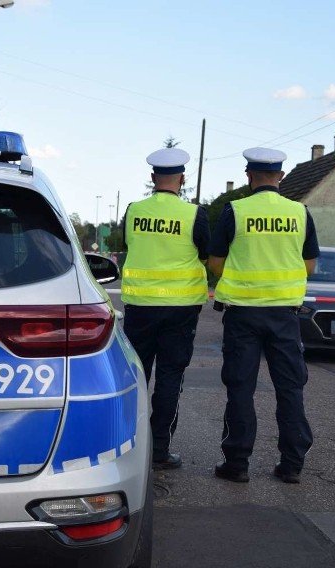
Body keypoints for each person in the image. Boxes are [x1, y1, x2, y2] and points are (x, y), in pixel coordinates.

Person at [207, 147, 319, 484]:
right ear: (281, 176)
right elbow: (310, 265)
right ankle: (292, 464)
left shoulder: (235, 211)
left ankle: (237, 463)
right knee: (290, 388)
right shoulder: (300, 212)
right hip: (285, 315)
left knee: (241, 388)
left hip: (243, 315)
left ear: (248, 175)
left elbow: (215, 262)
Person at [121, 147, 210, 470]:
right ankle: (159, 450)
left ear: (152, 178)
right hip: (180, 309)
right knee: (171, 376)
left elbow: (129, 246)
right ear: (182, 180)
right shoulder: (194, 215)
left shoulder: (133, 211)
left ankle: (129, 445)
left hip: (140, 307)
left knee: (135, 377)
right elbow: (205, 254)